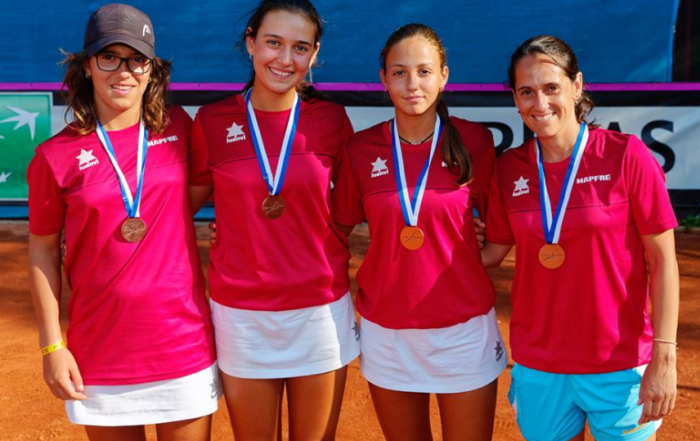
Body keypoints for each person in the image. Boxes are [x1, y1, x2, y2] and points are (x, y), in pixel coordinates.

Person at [27, 4, 218, 441]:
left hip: (181, 343)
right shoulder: (54, 157)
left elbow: (199, 195)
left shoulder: (181, 128)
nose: (123, 71)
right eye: (108, 57)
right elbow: (40, 249)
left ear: (152, 70)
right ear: (87, 66)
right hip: (100, 351)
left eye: (136, 59)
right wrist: (53, 345)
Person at [482, 35, 679, 441]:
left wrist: (664, 355)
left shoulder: (626, 155)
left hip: (620, 365)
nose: (540, 103)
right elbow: (491, 253)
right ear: (515, 101)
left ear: (577, 86)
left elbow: (663, 262)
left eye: (551, 87)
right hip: (540, 364)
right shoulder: (509, 170)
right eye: (526, 92)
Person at [188, 0, 359, 439]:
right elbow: (176, 207)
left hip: (318, 312)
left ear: (315, 54)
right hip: (241, 315)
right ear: (250, 43)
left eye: (300, 47)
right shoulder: (211, 121)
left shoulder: (332, 120)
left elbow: (358, 204)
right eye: (273, 43)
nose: (285, 59)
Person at [332, 24, 507, 441]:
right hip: (387, 332)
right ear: (383, 79)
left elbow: (500, 238)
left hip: (464, 332)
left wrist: (460, 256)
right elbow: (336, 230)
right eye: (399, 72)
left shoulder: (475, 142)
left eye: (425, 71)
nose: (412, 84)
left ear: (444, 76)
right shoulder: (360, 149)